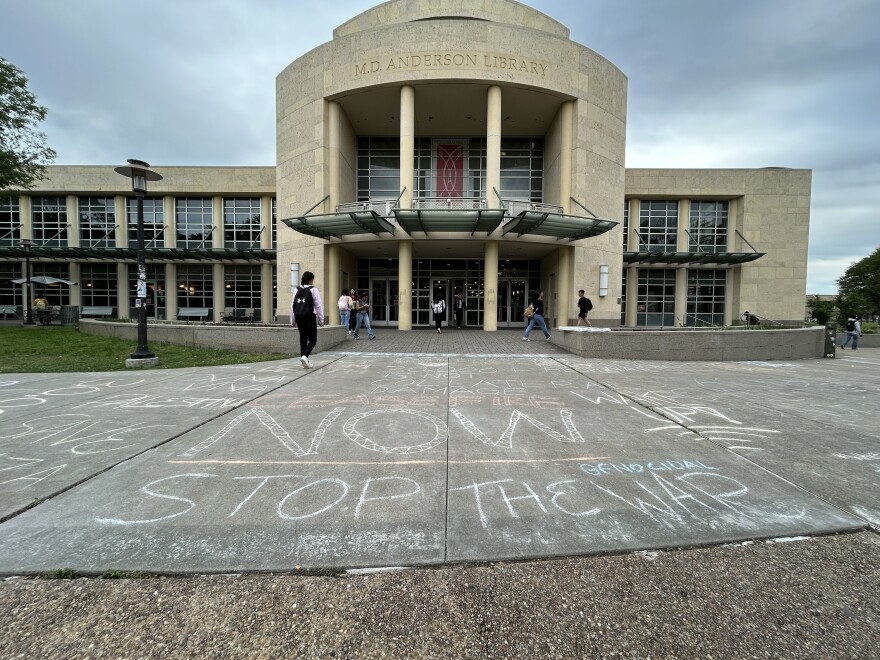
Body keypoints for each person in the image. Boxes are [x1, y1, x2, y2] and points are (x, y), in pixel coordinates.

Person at [289, 270, 324, 369]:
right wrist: (321, 319)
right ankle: (305, 355)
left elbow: (293, 305)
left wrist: (292, 319)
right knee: (312, 339)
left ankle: (304, 361)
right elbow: (318, 305)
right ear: (311, 280)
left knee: (303, 338)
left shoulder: (296, 289)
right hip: (310, 316)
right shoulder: (314, 290)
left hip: (299, 317)